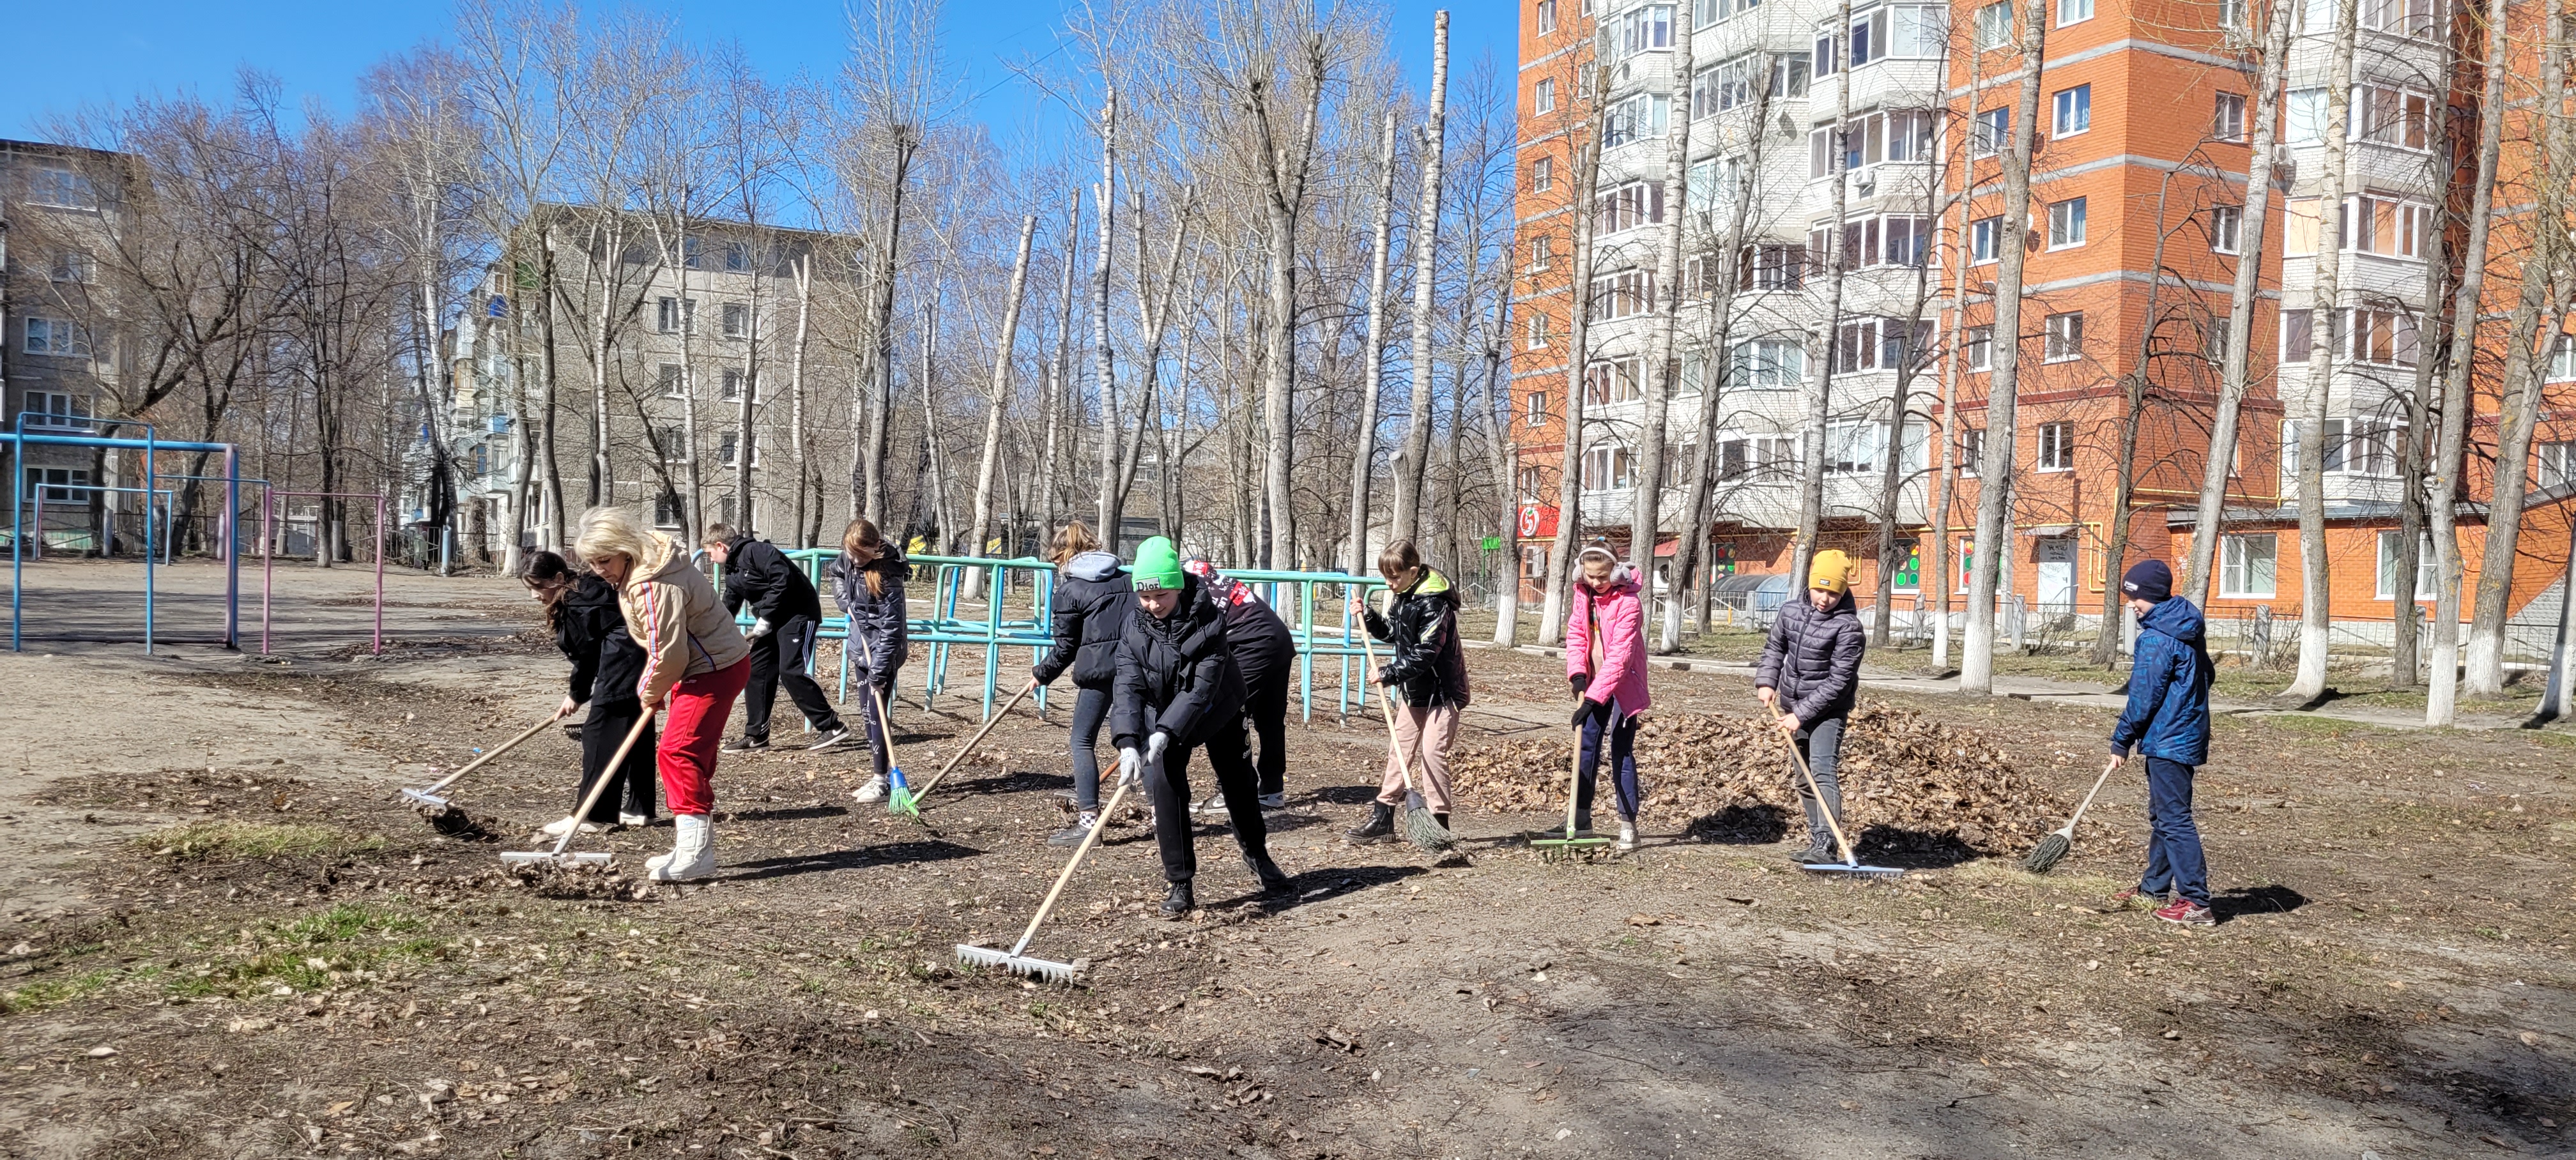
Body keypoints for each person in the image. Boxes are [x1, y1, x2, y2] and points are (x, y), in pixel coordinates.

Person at [1111, 536, 1293, 917]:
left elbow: (1202, 686)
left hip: (1217, 707)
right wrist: (1128, 740)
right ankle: (1180, 883)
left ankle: (1258, 857)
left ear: (1177, 585)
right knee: (1165, 786)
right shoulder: (1133, 624)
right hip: (1162, 713)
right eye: (1145, 596)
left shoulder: (1209, 619)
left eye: (1161, 594)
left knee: (1240, 782)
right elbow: (1127, 682)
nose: (1153, 604)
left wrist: (1167, 731)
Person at [573, 505, 751, 881]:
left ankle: (696, 854)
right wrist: (657, 686)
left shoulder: (652, 581)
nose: (599, 570)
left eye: (604, 560)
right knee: (691, 752)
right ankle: (692, 846)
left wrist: (648, 690)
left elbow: (668, 649)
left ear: (624, 549)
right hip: (708, 664)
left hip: (713, 668)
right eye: (592, 563)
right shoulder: (644, 564)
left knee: (678, 751)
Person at [2108, 559, 2217, 926]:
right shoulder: (2186, 627)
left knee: (2174, 818)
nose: (2131, 604)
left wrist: (2122, 740)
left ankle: (2196, 902)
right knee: (2164, 816)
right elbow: (2208, 675)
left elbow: (2143, 696)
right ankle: (2154, 889)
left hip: (2169, 737)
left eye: (2134, 598)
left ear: (2151, 596)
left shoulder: (2157, 638)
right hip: (2183, 733)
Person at [522, 551, 657, 835]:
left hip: (623, 664)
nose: (535, 596)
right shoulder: (588, 588)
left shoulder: (577, 602)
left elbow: (586, 655)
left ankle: (591, 815)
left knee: (599, 733)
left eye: (537, 587)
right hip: (641, 661)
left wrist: (577, 694)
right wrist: (578, 694)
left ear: (559, 579)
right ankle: (638, 808)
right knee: (636, 731)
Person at [1349, 540, 1469, 845]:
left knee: (1432, 753)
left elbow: (1427, 652)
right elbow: (1393, 633)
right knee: (1399, 751)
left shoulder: (1434, 602)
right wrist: (1369, 617)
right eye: (1386, 578)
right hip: (1415, 689)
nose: (1389, 584)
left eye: (1395, 578)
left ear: (1413, 571)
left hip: (1443, 693)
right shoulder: (1403, 595)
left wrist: (1389, 674)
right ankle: (1383, 818)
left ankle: (1439, 824)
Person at [1754, 548, 1867, 865]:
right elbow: (1775, 648)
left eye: (1833, 592)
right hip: (1791, 705)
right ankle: (1818, 837)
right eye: (1820, 589)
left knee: (1821, 772)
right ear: (1809, 584)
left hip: (1828, 711)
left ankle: (1828, 844)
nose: (1825, 598)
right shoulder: (1791, 612)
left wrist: (1800, 715)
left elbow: (1839, 681)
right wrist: (1767, 681)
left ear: (1844, 591)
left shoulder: (1848, 628)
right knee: (1803, 778)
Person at [703, 523, 850, 753]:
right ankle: (757, 735)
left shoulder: (757, 552)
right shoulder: (732, 571)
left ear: (721, 546)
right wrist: (714, 633)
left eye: (710, 553)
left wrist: (766, 617)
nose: (711, 559)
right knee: (756, 671)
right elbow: (729, 605)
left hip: (799, 614)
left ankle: (832, 726)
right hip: (774, 620)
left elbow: (783, 580)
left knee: (790, 671)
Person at [1031, 521, 1131, 846]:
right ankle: (1165, 820)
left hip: (1098, 674)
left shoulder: (1070, 590)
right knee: (1141, 743)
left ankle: (1089, 824)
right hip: (1136, 668)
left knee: (1082, 740)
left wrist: (1040, 674)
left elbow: (1065, 648)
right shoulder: (1126, 578)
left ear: (1063, 557)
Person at [1181, 554, 1298, 811]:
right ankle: (1272, 788)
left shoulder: (1195, 592)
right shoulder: (1217, 579)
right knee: (1270, 720)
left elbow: (1200, 642)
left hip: (1254, 645)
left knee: (1225, 714)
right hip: (1279, 640)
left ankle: (1231, 791)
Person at [1563, 543, 1649, 851]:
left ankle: (1628, 823)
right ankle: (1580, 819)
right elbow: (1576, 635)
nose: (1597, 583)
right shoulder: (1582, 595)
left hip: (1623, 686)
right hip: (1593, 682)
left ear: (1615, 571)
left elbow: (1621, 657)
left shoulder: (1629, 603)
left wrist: (1594, 698)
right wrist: (1578, 675)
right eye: (1590, 576)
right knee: (1585, 747)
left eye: (1602, 576)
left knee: (1620, 751)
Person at [827, 518, 910, 802]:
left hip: (884, 652)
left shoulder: (887, 573)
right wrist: (844, 601)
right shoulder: (848, 560)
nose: (853, 560)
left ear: (874, 549)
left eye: (859, 556)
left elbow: (892, 628)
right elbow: (835, 573)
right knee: (866, 711)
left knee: (877, 712)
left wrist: (879, 670)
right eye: (850, 554)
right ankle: (879, 777)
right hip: (860, 645)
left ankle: (881, 780)